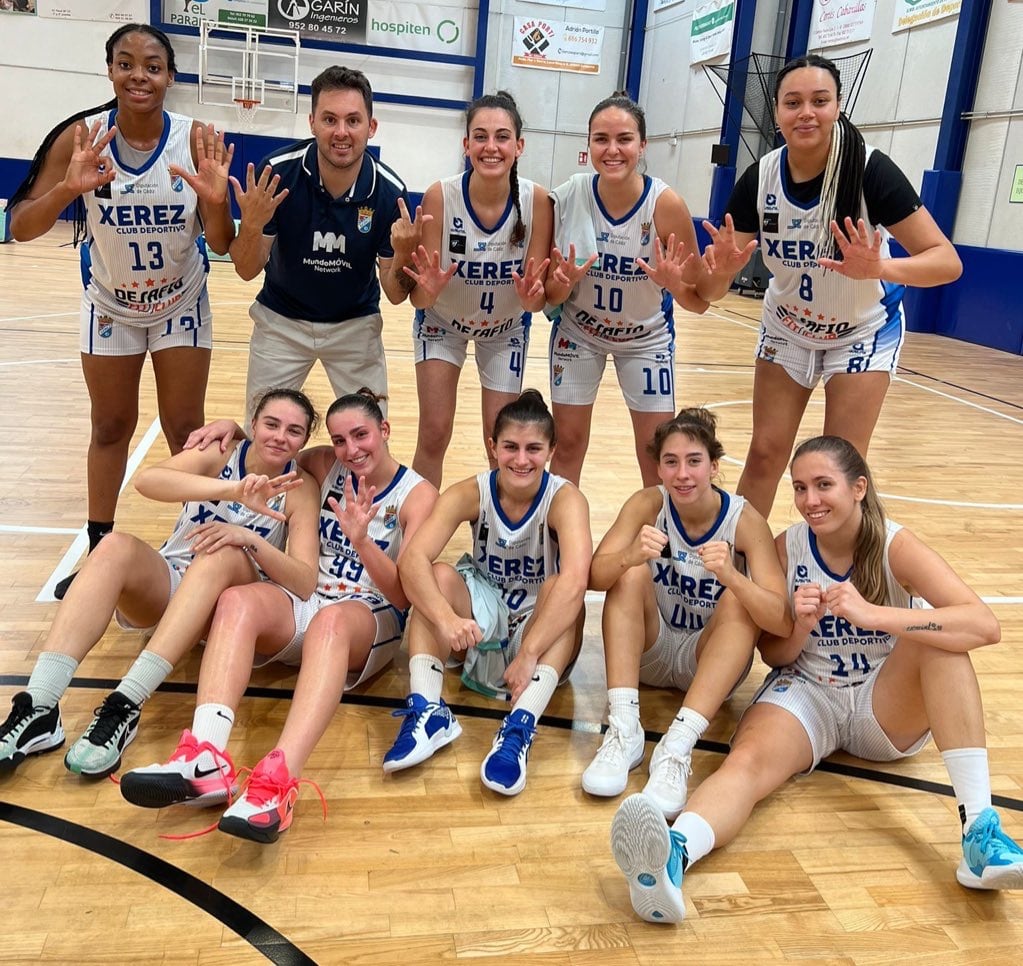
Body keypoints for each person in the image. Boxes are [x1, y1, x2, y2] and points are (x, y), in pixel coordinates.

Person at [610, 435, 1023, 924]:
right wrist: (801, 625)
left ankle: (978, 831)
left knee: (940, 640)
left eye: (824, 485)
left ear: (858, 488)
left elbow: (983, 626)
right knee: (745, 763)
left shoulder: (895, 544)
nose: (810, 500)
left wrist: (877, 616)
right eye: (801, 487)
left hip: (881, 703)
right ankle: (673, 855)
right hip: (806, 694)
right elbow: (773, 651)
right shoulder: (789, 546)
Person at [119, 390, 436, 842]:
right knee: (238, 600)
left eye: (362, 435)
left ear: (384, 431)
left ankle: (278, 782)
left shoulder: (417, 494)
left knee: (329, 624)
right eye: (341, 440)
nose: (352, 450)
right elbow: (274, 444)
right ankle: (206, 757)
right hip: (308, 599)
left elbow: (407, 595)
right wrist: (234, 429)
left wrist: (364, 541)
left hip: (369, 612)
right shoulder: (326, 466)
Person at [7, 23, 236, 600]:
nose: (140, 75)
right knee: (110, 427)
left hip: (181, 301)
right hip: (110, 303)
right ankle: (98, 547)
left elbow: (224, 240)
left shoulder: (197, 137)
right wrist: (65, 190)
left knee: (188, 429)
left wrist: (216, 204)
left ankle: (194, 545)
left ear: (170, 76)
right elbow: (19, 227)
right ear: (109, 69)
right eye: (127, 63)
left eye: (153, 66)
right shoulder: (82, 135)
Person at [0, 389, 321, 779]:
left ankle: (126, 704)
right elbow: (148, 481)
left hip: (226, 608)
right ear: (252, 425)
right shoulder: (221, 453)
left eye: (294, 431)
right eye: (271, 424)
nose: (279, 437)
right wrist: (232, 490)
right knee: (114, 546)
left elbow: (304, 582)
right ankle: (41, 706)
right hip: (172, 585)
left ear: (305, 440)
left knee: (220, 549)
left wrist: (247, 539)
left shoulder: (299, 488)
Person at [700, 54, 962, 519]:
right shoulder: (760, 177)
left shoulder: (872, 171)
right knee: (764, 454)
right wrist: (719, 271)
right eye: (793, 102)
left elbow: (946, 262)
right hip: (788, 328)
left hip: (861, 331)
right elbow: (712, 291)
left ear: (838, 106)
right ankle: (740, 568)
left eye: (819, 101)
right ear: (777, 113)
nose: (806, 112)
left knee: (837, 467)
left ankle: (837, 577)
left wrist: (878, 267)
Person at [582, 408, 790, 817]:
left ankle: (677, 747)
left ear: (714, 466)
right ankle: (624, 730)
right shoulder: (647, 504)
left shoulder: (744, 520)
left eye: (694, 461)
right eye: (671, 462)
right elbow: (594, 576)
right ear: (657, 467)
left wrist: (733, 576)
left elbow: (781, 619)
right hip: (652, 651)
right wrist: (629, 556)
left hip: (707, 661)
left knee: (739, 600)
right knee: (628, 576)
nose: (682, 474)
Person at [383, 390, 591, 796]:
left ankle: (519, 727)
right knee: (439, 576)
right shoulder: (470, 492)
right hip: (483, 625)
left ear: (551, 451)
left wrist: (530, 651)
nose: (521, 459)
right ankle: (428, 710)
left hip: (541, 634)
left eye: (533, 448)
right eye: (510, 447)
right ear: (492, 446)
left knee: (562, 590)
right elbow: (412, 561)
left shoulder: (565, 499)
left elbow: (576, 580)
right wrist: (447, 618)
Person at [227, 65, 422, 420]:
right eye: (330, 120)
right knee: (263, 435)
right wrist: (251, 226)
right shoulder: (277, 173)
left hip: (354, 325)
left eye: (353, 120)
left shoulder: (390, 193)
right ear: (312, 122)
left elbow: (395, 294)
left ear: (371, 127)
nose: (341, 132)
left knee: (369, 437)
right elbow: (245, 269)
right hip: (282, 322)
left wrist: (406, 252)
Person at [544, 92, 718, 488]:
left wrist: (676, 284)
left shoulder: (665, 204)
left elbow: (699, 302)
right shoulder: (569, 197)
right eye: (601, 139)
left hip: (645, 339)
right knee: (567, 445)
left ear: (643, 145)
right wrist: (562, 282)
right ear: (587, 145)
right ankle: (558, 542)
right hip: (579, 334)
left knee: (655, 453)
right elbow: (549, 300)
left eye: (624, 139)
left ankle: (662, 544)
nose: (612, 149)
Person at [402, 91, 552, 487]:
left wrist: (530, 298)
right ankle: (418, 530)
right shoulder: (441, 195)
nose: (491, 147)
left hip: (504, 331)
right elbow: (418, 298)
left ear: (518, 146)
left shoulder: (538, 201)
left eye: (502, 137)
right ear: (466, 144)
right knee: (433, 433)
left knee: (499, 441)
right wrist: (427, 291)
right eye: (480, 136)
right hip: (441, 322)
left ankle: (499, 541)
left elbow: (536, 302)